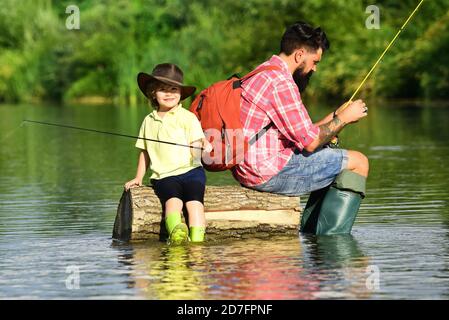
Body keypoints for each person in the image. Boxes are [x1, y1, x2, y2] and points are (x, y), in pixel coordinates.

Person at [232, 21, 369, 234]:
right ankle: (331, 244)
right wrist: (344, 119)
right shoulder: (282, 83)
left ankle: (312, 234)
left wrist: (336, 116)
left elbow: (303, 135)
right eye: (314, 61)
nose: (315, 68)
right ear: (299, 55)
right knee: (359, 162)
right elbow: (312, 142)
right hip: (265, 171)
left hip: (249, 166)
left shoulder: (263, 71)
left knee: (329, 152)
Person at [124, 63, 212, 244]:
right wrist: (138, 177)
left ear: (180, 93)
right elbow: (145, 151)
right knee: (173, 203)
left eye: (174, 89)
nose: (169, 93)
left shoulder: (188, 117)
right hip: (164, 176)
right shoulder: (148, 121)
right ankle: (176, 233)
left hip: (191, 171)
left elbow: (197, 144)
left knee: (195, 204)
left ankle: (196, 241)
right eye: (163, 89)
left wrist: (203, 148)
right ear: (153, 93)